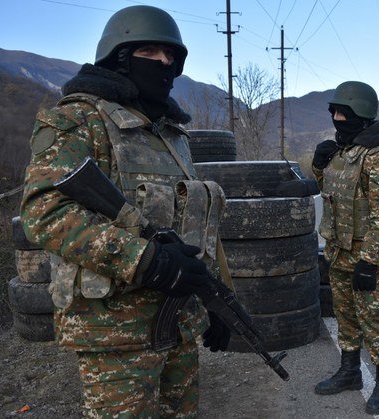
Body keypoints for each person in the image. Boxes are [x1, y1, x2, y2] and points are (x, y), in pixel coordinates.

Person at [20, 5, 230, 417]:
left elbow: (196, 226)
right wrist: (145, 261)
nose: (165, 64)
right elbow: (44, 211)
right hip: (114, 329)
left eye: (172, 57)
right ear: (120, 56)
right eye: (151, 53)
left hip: (180, 321)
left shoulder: (172, 135)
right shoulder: (79, 120)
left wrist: (218, 300)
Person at [312, 81, 379, 415]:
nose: (337, 118)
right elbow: (331, 193)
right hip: (338, 251)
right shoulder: (343, 152)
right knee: (346, 316)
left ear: (362, 114)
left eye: (343, 113)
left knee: (375, 318)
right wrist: (319, 166)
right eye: (334, 112)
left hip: (367, 257)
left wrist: (370, 261)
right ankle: (350, 372)